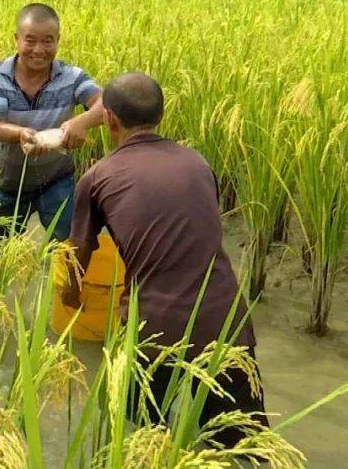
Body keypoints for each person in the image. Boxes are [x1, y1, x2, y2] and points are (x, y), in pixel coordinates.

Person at [62, 72, 267, 447]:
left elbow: (79, 254)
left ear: (108, 119)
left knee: (142, 440)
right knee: (245, 449)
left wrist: (70, 295)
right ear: (162, 115)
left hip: (155, 333)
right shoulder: (197, 163)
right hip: (226, 324)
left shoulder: (98, 177)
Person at [0, 3, 104, 243]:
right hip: (10, 184)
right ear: (16, 39)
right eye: (30, 40)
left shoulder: (72, 77)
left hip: (57, 181)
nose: (39, 50)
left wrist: (83, 121)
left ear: (58, 40)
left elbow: (105, 103)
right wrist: (20, 134)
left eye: (48, 41)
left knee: (71, 250)